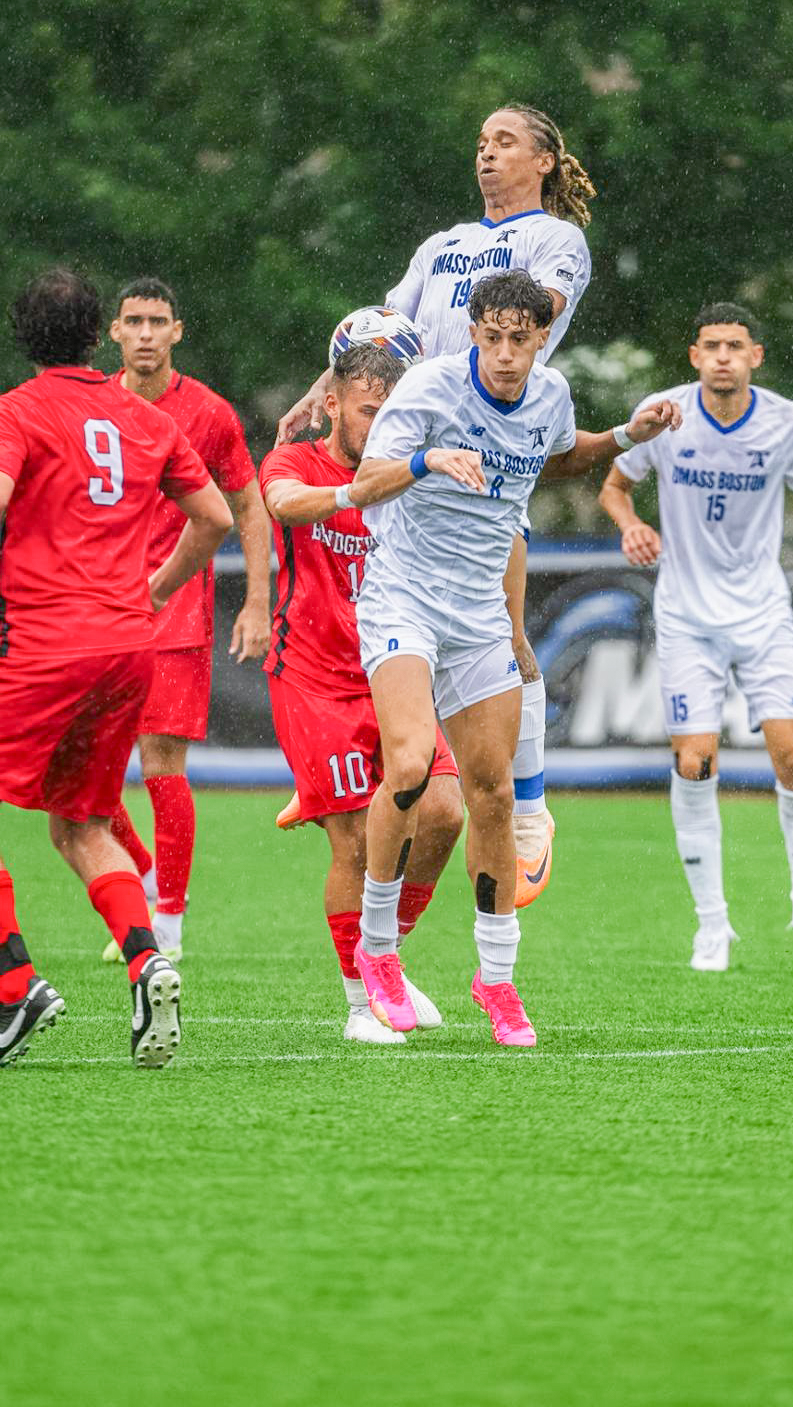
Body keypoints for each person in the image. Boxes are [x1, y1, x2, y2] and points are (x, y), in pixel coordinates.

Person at [342, 268, 680, 1047]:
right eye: (490, 337)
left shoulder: (551, 393)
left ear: (538, 338)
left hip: (478, 614)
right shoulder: (428, 388)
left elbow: (559, 457)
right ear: (474, 330)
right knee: (410, 765)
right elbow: (364, 484)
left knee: (492, 794)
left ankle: (496, 979)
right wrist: (430, 462)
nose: (502, 354)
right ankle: (379, 952)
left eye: (518, 340)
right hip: (404, 599)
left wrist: (629, 435)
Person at [277, 104, 596, 905]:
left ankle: (531, 809)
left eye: (506, 144)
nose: (487, 156)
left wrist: (467, 357)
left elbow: (528, 319)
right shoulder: (442, 246)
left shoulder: (553, 243)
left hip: (486, 464)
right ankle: (322, 774)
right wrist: (323, 389)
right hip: (414, 463)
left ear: (546, 161)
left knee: (506, 633)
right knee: (353, 600)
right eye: (481, 144)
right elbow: (384, 333)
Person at [0, 267, 232, 1068]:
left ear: (23, 338)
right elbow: (217, 516)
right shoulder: (139, 415)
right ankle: (145, 956)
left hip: (47, 644)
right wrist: (155, 588)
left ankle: (17, 985)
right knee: (82, 822)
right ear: (101, 336)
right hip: (128, 645)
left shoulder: (17, 410)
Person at [598, 303, 793, 973]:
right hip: (686, 616)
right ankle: (713, 925)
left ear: (755, 356)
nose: (723, 358)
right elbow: (615, 485)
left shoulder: (787, 423)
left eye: (735, 346)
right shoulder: (664, 416)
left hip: (763, 613)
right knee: (695, 761)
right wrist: (629, 524)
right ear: (693, 356)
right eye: (711, 346)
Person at [257, 344, 466, 1044]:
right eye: (370, 412)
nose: (381, 426)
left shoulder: (413, 472)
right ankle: (358, 1006)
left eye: (392, 414)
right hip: (314, 681)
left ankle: (385, 959)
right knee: (353, 841)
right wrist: (358, 491)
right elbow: (283, 505)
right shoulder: (294, 461)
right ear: (332, 406)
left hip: (394, 672)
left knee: (443, 812)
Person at [99, 277, 270, 963]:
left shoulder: (208, 413)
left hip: (175, 614)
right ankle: (143, 872)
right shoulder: (92, 408)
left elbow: (249, 507)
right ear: (114, 332)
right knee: (71, 767)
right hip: (98, 608)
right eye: (133, 321)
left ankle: (166, 920)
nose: (145, 332)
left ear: (178, 331)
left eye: (157, 321)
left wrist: (258, 601)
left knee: (160, 763)